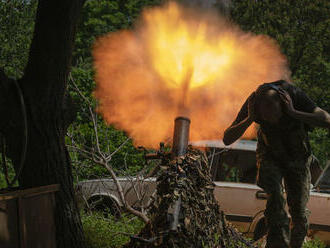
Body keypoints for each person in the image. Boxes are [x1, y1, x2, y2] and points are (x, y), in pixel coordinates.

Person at [223, 80, 330, 248]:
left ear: (282, 104)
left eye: (275, 115)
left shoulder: (294, 95)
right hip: (270, 155)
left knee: (299, 211)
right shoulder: (253, 104)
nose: (272, 121)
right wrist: (250, 118)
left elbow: (326, 120)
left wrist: (294, 113)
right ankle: (276, 243)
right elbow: (227, 138)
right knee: (275, 200)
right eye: (266, 118)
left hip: (298, 158)